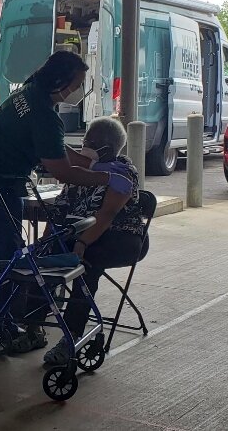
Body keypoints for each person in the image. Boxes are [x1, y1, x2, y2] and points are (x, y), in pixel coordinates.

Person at [0, 50, 134, 353]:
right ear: (61, 80)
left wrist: (91, 163)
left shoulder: (30, 94)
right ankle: (1, 325)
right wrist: (105, 178)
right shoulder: (45, 114)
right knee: (6, 256)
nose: (78, 91)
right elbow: (61, 170)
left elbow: (53, 149)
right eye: (77, 83)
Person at [42, 116, 146, 365]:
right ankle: (32, 325)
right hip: (82, 234)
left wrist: (81, 244)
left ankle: (71, 336)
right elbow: (60, 210)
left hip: (121, 237)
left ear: (107, 149)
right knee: (38, 261)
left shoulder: (123, 173)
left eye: (90, 141)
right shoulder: (82, 173)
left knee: (86, 265)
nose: (84, 144)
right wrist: (46, 243)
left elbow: (106, 215)